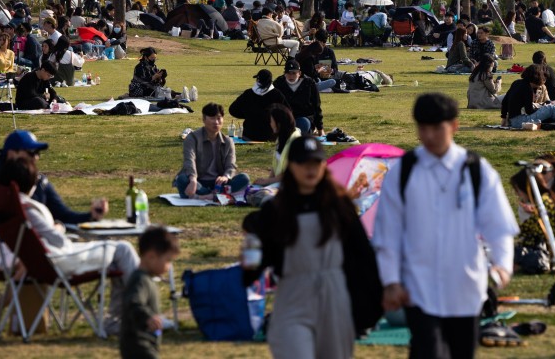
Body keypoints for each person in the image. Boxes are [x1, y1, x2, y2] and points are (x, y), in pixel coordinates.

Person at [374, 93, 518, 359]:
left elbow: (498, 225)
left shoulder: (476, 170)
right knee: (428, 351)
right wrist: (391, 281)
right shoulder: (403, 172)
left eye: (436, 128)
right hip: (418, 288)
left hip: (466, 289)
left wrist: (503, 265)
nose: (429, 136)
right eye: (423, 128)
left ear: (454, 126)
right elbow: (388, 233)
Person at [244, 136, 383, 359]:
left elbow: (362, 257)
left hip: (333, 296)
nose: (310, 169)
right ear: (291, 167)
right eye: (303, 163)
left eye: (316, 163)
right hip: (293, 295)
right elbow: (257, 258)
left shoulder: (339, 208)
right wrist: (248, 266)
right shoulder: (277, 210)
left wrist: (370, 307)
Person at [0, 130, 108, 334]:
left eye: (37, 154)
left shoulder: (39, 182)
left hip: (25, 248)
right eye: (31, 153)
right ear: (12, 154)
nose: (36, 158)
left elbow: (63, 214)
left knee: (35, 256)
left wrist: (90, 216)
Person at [120, 226, 180, 359]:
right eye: (167, 260)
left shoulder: (147, 279)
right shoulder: (140, 280)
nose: (169, 266)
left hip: (146, 344)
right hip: (139, 346)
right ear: (151, 256)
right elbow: (133, 301)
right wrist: (147, 317)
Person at [509, 167, 555, 271]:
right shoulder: (548, 199)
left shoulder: (543, 204)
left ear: (526, 189)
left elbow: (530, 231)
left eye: (518, 190)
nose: (517, 194)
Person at [174, 102, 251, 198]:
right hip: (198, 180)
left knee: (244, 178)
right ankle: (216, 195)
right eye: (212, 118)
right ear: (204, 119)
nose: (216, 122)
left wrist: (226, 176)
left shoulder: (228, 141)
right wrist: (193, 179)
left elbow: (231, 165)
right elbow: (189, 161)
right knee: (182, 179)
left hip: (219, 182)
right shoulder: (192, 138)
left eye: (219, 118)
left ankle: (203, 195)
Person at [500, 65, 555, 129]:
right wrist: (541, 107)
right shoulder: (528, 89)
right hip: (520, 121)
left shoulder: (516, 83)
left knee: (549, 113)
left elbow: (505, 101)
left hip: (513, 120)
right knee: (550, 108)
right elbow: (529, 110)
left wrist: (503, 117)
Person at [229, 69, 289, 142]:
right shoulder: (277, 95)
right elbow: (288, 113)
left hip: (249, 135)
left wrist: (249, 115)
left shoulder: (248, 94)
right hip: (271, 136)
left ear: (257, 80)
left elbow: (232, 110)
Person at [274, 59, 322, 135]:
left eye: (294, 73)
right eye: (288, 73)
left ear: (299, 73)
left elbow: (316, 106)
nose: (291, 76)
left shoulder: (309, 83)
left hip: (303, 117)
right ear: (284, 73)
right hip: (285, 118)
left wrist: (320, 128)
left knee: (303, 124)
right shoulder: (278, 83)